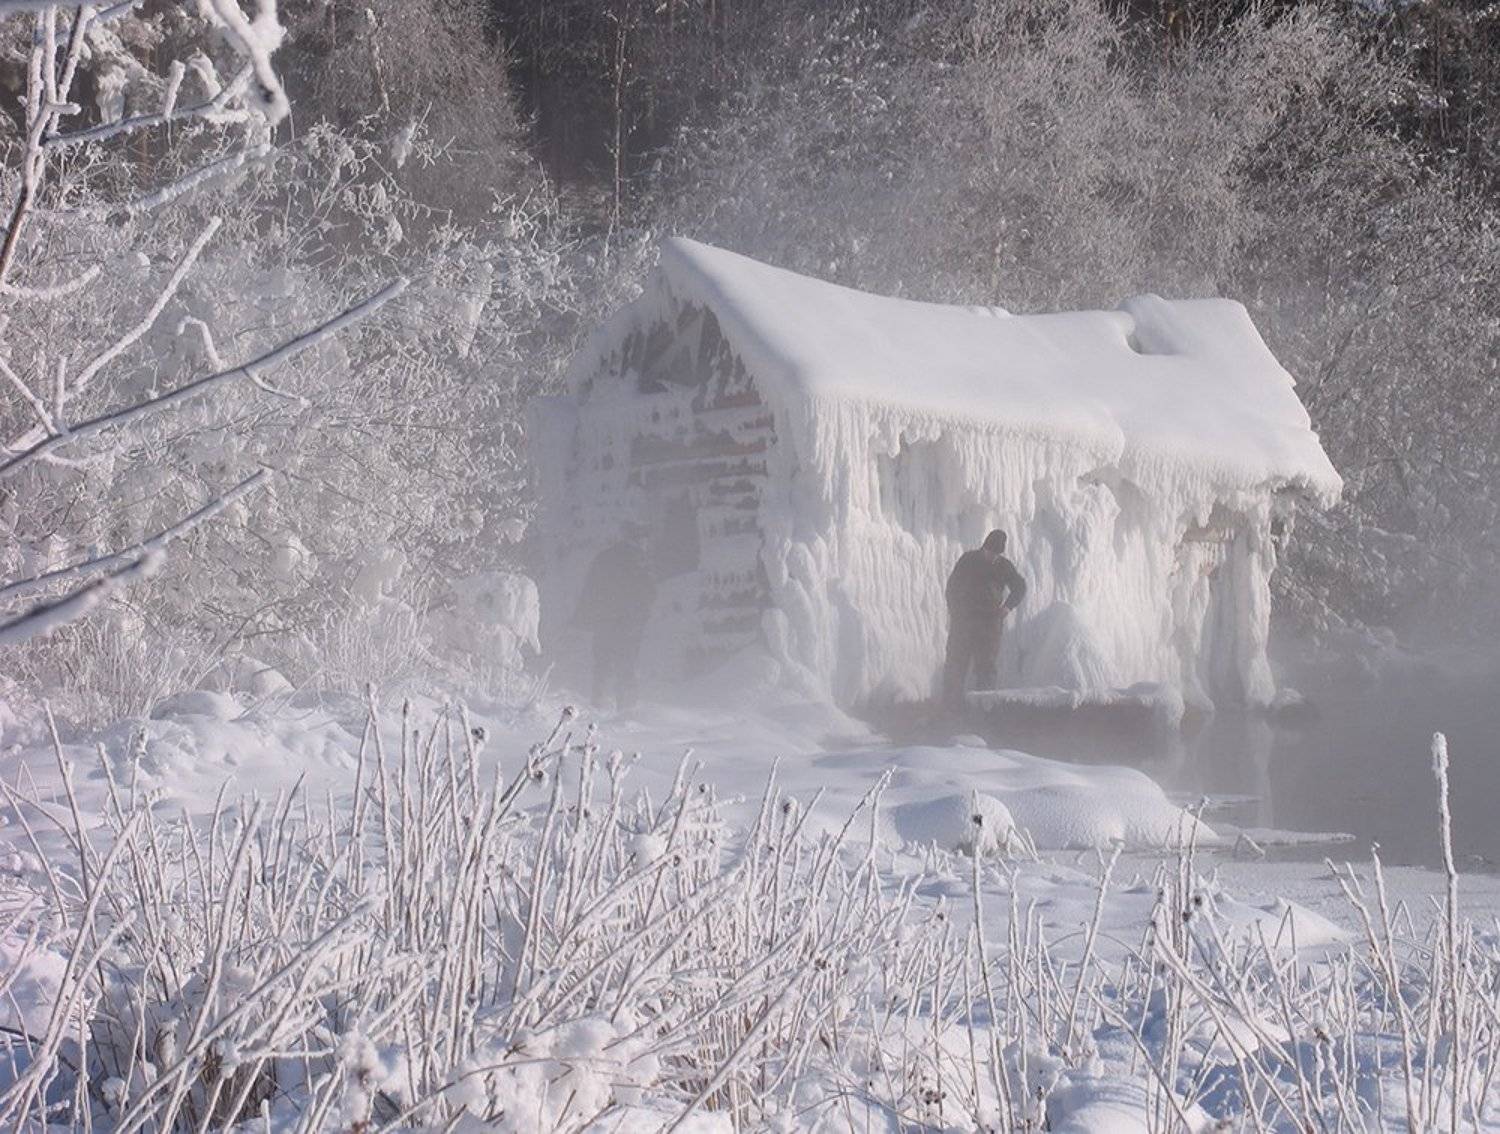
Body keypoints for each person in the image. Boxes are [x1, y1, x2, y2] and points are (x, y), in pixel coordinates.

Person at [575, 524, 657, 711]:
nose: (646, 543)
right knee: (626, 665)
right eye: (644, 539)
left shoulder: (604, 558)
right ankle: (625, 706)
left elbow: (590, 589)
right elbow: (650, 591)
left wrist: (583, 619)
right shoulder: (640, 560)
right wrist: (643, 614)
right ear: (638, 539)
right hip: (629, 623)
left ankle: (598, 704)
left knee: (602, 664)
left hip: (604, 621)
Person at [942, 529, 1027, 707]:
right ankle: (950, 709)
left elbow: (1020, 587)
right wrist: (956, 612)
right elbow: (952, 588)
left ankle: (983, 713)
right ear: (984, 547)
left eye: (996, 554)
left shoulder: (1004, 566)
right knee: (955, 665)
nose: (992, 557)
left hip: (990, 625)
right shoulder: (968, 560)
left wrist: (1007, 607)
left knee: (986, 669)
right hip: (964, 622)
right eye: (990, 552)